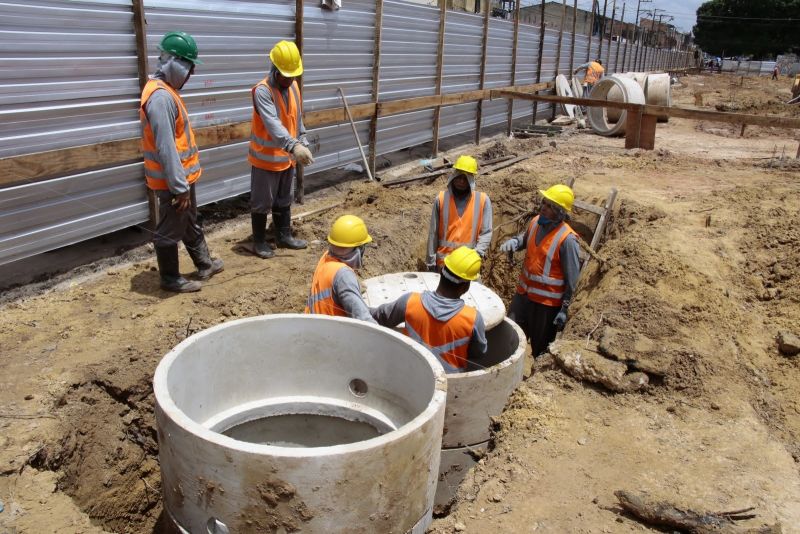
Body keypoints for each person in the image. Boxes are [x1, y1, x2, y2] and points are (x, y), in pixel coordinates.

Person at [140, 31, 223, 293]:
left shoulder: (167, 92)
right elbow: (166, 148)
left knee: (188, 219)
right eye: (189, 66)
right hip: (173, 181)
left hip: (182, 178)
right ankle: (170, 278)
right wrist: (179, 187)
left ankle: (204, 263)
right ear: (175, 64)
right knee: (171, 225)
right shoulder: (161, 98)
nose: (193, 73)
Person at [372, 247, 487, 373]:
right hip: (449, 384)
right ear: (465, 287)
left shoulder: (410, 301)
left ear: (441, 273)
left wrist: (351, 302)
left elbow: (380, 317)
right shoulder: (473, 318)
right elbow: (479, 353)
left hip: (408, 376)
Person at [248, 40, 314, 259]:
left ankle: (283, 236)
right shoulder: (262, 91)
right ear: (275, 70)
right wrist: (294, 146)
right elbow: (273, 124)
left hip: (287, 158)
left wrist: (302, 139)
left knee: (284, 199)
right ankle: (259, 241)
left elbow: (297, 118)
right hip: (266, 159)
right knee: (261, 202)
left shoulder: (293, 86)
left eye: (293, 75)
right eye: (286, 75)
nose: (290, 79)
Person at [500, 184, 580, 358]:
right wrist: (516, 241)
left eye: (550, 206)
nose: (543, 207)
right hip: (523, 297)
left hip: (545, 307)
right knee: (509, 339)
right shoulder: (536, 221)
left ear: (560, 213)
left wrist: (565, 309)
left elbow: (573, 281)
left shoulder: (568, 240)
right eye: (544, 202)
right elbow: (525, 238)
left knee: (540, 348)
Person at [425, 155, 492, 273]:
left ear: (471, 179)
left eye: (465, 178)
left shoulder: (482, 200)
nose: (461, 181)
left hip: (467, 265)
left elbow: (486, 233)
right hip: (443, 265)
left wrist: (476, 255)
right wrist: (431, 262)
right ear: (453, 175)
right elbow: (433, 233)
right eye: (459, 176)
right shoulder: (441, 199)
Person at [305, 215, 376, 323]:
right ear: (359, 249)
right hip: (335, 334)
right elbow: (365, 322)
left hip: (315, 326)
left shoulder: (326, 258)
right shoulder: (343, 276)